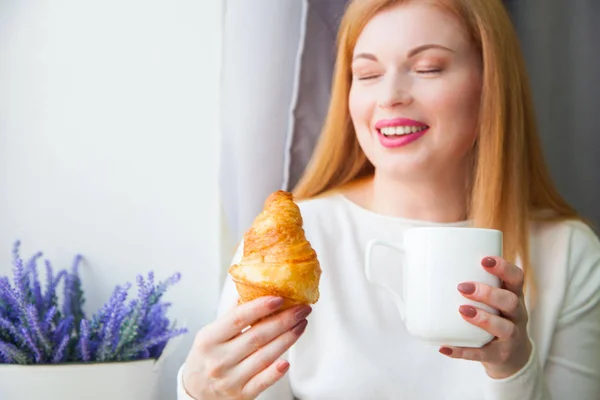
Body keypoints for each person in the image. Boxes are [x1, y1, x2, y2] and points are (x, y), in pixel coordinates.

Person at [178, 0, 600, 399]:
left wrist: (515, 369)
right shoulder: (293, 247)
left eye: (428, 68)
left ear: (492, 84)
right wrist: (199, 391)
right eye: (367, 74)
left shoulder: (567, 253)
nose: (390, 96)